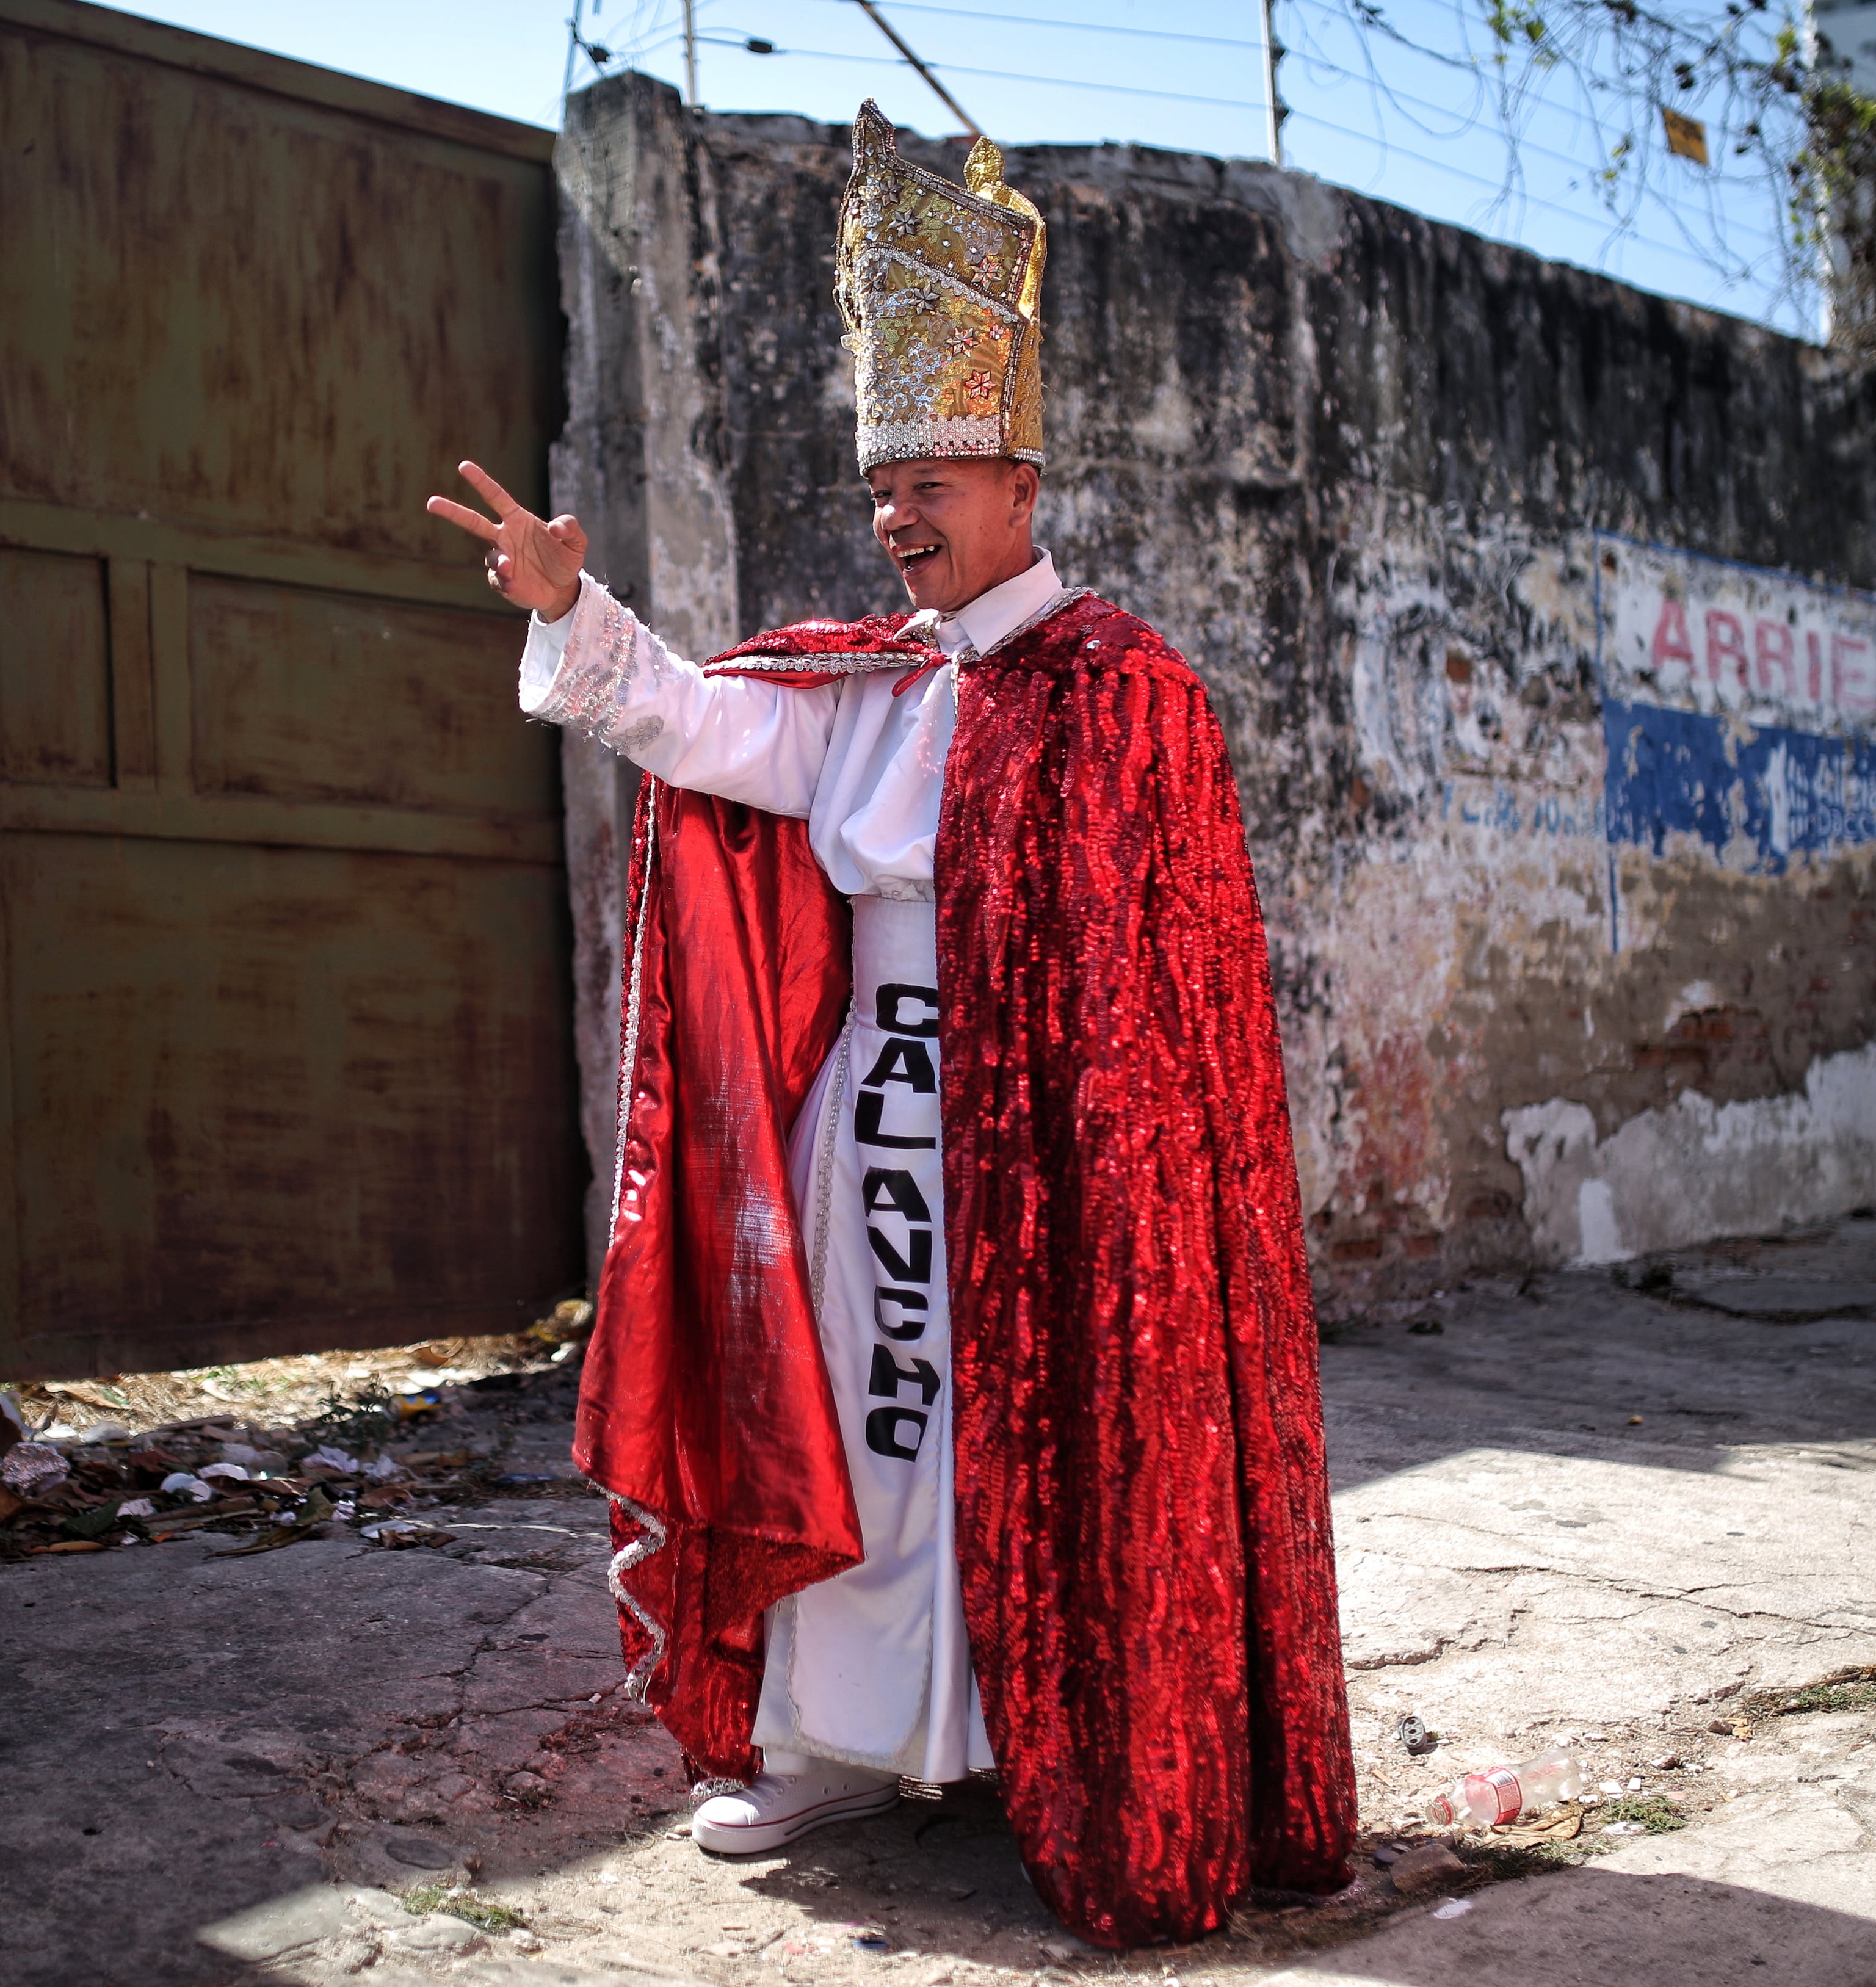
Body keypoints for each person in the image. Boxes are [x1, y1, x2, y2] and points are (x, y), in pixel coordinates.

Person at [426, 103, 1353, 1950]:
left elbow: (1167, 1007)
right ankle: (835, 1740)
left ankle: (1044, 1744)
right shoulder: (864, 696)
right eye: (881, 488)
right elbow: (697, 725)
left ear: (1019, 481)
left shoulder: (1130, 696)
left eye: (932, 481)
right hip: (881, 1136)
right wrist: (571, 604)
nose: (898, 516)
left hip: (1060, 1173)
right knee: (852, 1425)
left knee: (1033, 1450)